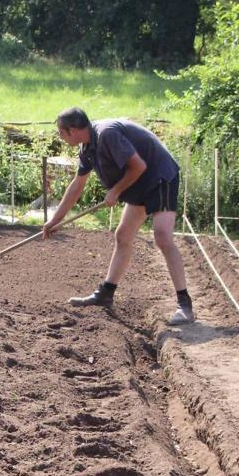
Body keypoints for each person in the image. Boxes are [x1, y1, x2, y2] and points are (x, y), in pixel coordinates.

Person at [43, 108, 194, 324]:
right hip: (139, 181)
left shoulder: (107, 134)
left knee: (162, 237)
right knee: (123, 236)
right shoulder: (87, 148)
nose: (60, 137)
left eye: (61, 132)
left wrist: (115, 191)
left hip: (159, 176)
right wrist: (54, 221)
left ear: (73, 130)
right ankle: (106, 293)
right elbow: (77, 185)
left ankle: (185, 305)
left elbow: (139, 166)